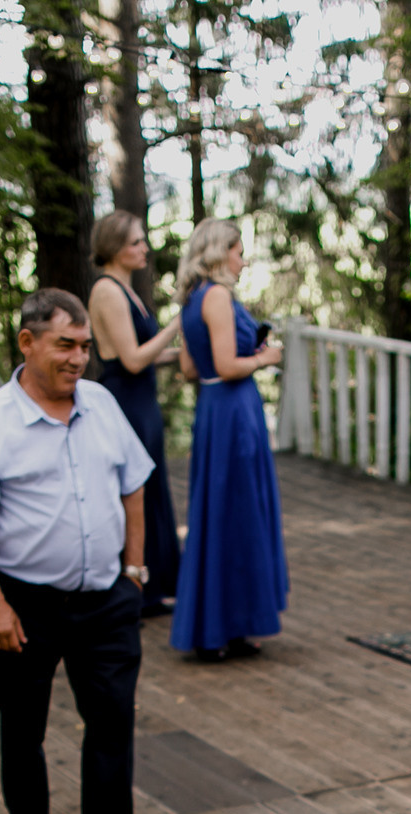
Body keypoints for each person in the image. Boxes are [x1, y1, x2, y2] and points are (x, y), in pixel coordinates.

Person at [0, 289, 168, 814]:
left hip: (107, 599)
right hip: (25, 605)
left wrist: (135, 571)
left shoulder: (100, 403)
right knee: (22, 728)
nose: (77, 359)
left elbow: (134, 482)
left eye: (86, 346)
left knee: (113, 722)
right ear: (27, 342)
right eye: (64, 345)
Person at [172, 217, 291, 664]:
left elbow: (189, 370)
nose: (244, 260)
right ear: (220, 252)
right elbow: (225, 365)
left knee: (220, 512)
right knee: (237, 512)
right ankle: (225, 626)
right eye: (239, 251)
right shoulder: (218, 296)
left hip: (212, 410)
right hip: (235, 410)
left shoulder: (191, 299)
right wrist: (264, 357)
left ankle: (227, 624)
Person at [88, 211, 185, 618]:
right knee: (135, 490)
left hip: (142, 398)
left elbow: (148, 357)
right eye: (135, 243)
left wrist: (184, 354)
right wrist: (178, 323)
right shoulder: (107, 292)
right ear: (113, 248)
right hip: (125, 400)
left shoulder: (127, 290)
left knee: (153, 487)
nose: (144, 248)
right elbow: (130, 359)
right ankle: (135, 585)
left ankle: (156, 585)